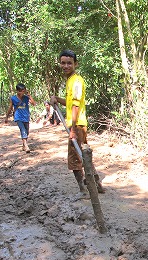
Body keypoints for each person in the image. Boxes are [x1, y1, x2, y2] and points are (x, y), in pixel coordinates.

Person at [50, 50, 104, 195]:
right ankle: (97, 185)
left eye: (69, 63)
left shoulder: (77, 81)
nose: (65, 66)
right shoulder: (70, 80)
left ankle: (84, 190)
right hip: (77, 124)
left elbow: (75, 106)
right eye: (63, 63)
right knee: (83, 155)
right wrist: (57, 99)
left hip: (77, 125)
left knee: (75, 158)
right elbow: (69, 103)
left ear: (75, 64)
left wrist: (73, 129)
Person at [5, 83, 36, 153]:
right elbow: (10, 108)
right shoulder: (13, 98)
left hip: (26, 117)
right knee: (23, 130)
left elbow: (34, 104)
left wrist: (30, 96)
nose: (23, 92)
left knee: (27, 131)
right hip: (18, 117)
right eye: (21, 91)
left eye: (24, 91)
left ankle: (23, 146)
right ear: (18, 91)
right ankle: (26, 146)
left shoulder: (26, 98)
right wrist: (6, 117)